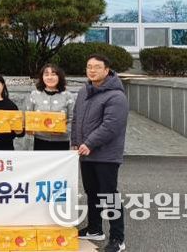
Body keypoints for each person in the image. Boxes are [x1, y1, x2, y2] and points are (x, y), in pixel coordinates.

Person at [72, 54, 128, 252]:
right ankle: (95, 229)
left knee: (108, 195)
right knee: (92, 193)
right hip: (86, 153)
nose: (92, 70)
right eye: (89, 66)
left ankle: (117, 239)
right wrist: (75, 142)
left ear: (106, 70)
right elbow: (76, 118)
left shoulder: (116, 96)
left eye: (97, 67)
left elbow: (111, 126)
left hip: (106, 155)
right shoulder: (84, 91)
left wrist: (89, 143)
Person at [26, 63, 75, 151]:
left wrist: (63, 130)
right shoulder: (34, 94)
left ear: (59, 77)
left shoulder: (68, 95)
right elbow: (28, 116)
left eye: (53, 74)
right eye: (46, 74)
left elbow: (73, 119)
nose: (50, 77)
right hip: (39, 141)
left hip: (62, 141)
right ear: (42, 77)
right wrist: (30, 128)